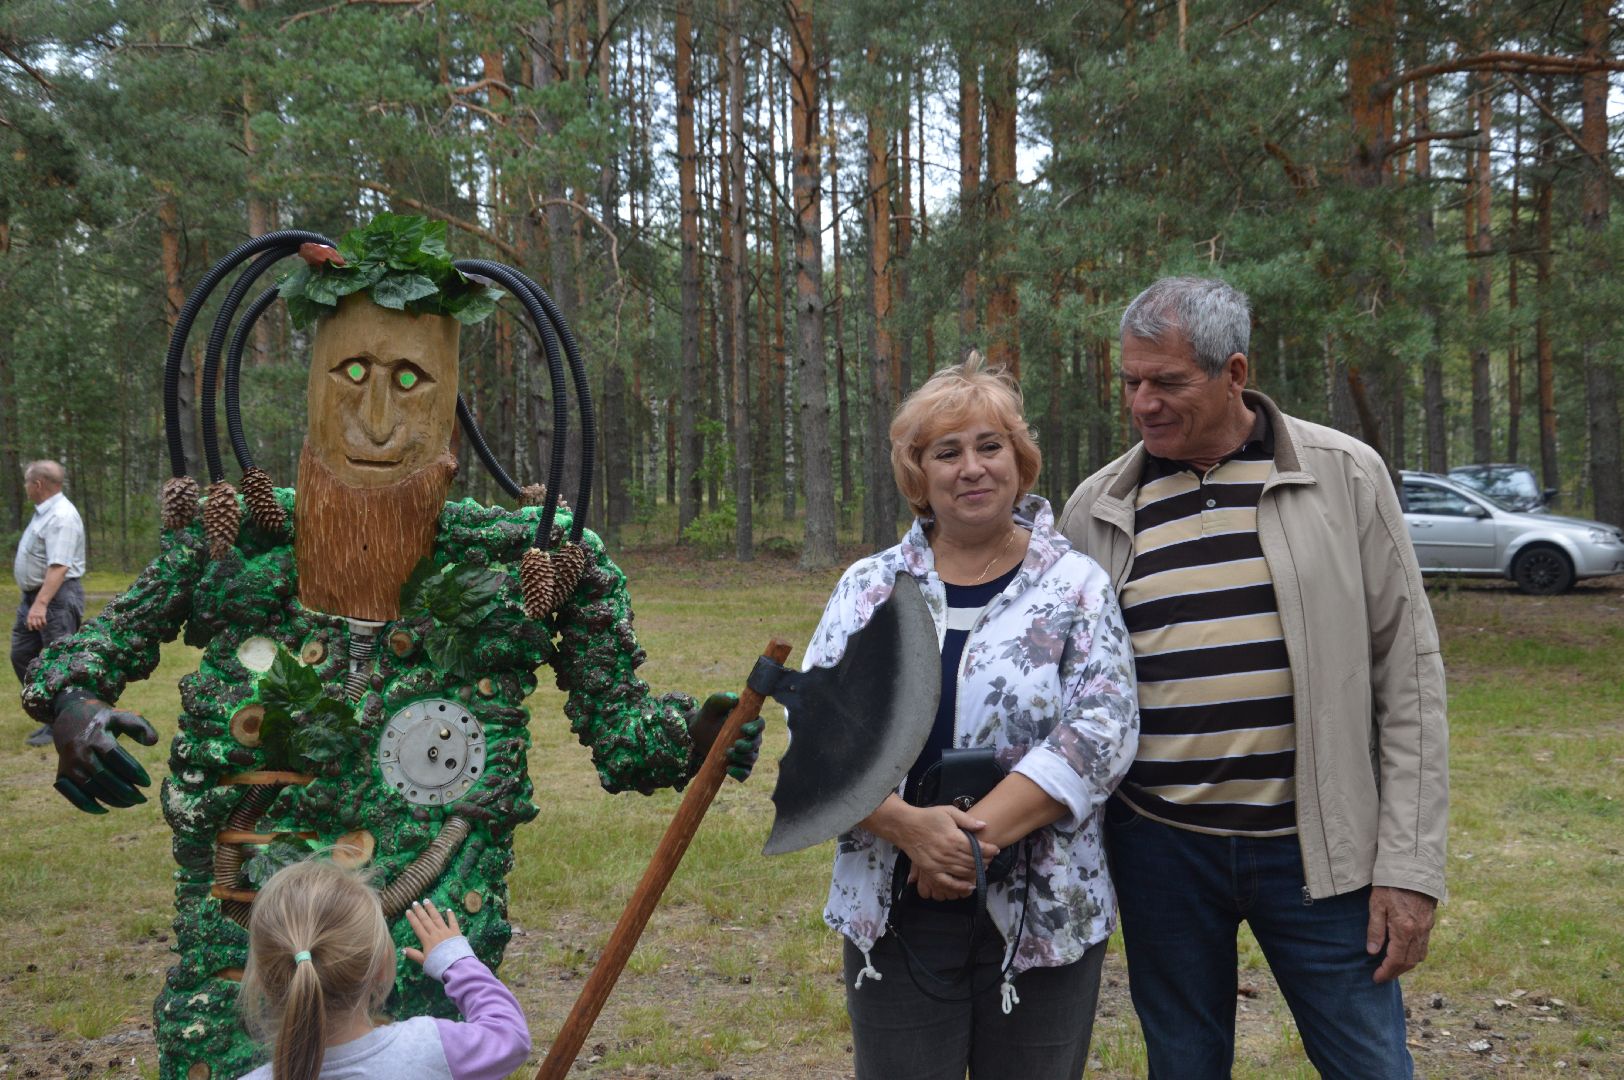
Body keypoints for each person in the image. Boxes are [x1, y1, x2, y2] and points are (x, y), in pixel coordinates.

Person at [20, 216, 757, 1080]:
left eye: (410, 380)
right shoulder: (234, 547)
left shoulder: (527, 564)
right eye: (350, 374)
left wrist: (692, 738)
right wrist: (74, 705)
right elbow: (90, 651)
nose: (374, 417)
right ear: (311, 386)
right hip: (253, 942)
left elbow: (622, 729)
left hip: (428, 939)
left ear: (447, 398)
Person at [1058, 276, 1448, 1079]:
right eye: (1131, 381)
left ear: (1235, 372)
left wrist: (1409, 869)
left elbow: (1408, 679)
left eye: (1167, 382)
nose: (1143, 403)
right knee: (1185, 1065)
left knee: (1371, 1066)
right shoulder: (1098, 507)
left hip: (1320, 854)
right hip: (1158, 849)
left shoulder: (1346, 476)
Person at [804, 356, 1139, 1080]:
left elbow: (1100, 732)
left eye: (989, 446)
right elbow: (823, 740)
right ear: (917, 472)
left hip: (1043, 905)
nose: (971, 468)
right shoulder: (869, 588)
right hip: (893, 900)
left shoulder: (1076, 586)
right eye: (945, 452)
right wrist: (908, 829)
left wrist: (965, 845)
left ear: (1019, 462)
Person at [236, 858, 530, 1080]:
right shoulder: (427, 1051)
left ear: (261, 980)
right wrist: (456, 960)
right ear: (380, 969)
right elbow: (510, 1036)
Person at [11, 459, 86, 747]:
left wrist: (41, 604)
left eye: (27, 483)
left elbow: (59, 566)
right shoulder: (44, 513)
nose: (26, 488)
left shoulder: (61, 516)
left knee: (60, 663)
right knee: (22, 654)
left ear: (38, 484)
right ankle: (52, 717)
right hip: (35, 596)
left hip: (55, 598)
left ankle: (69, 723)